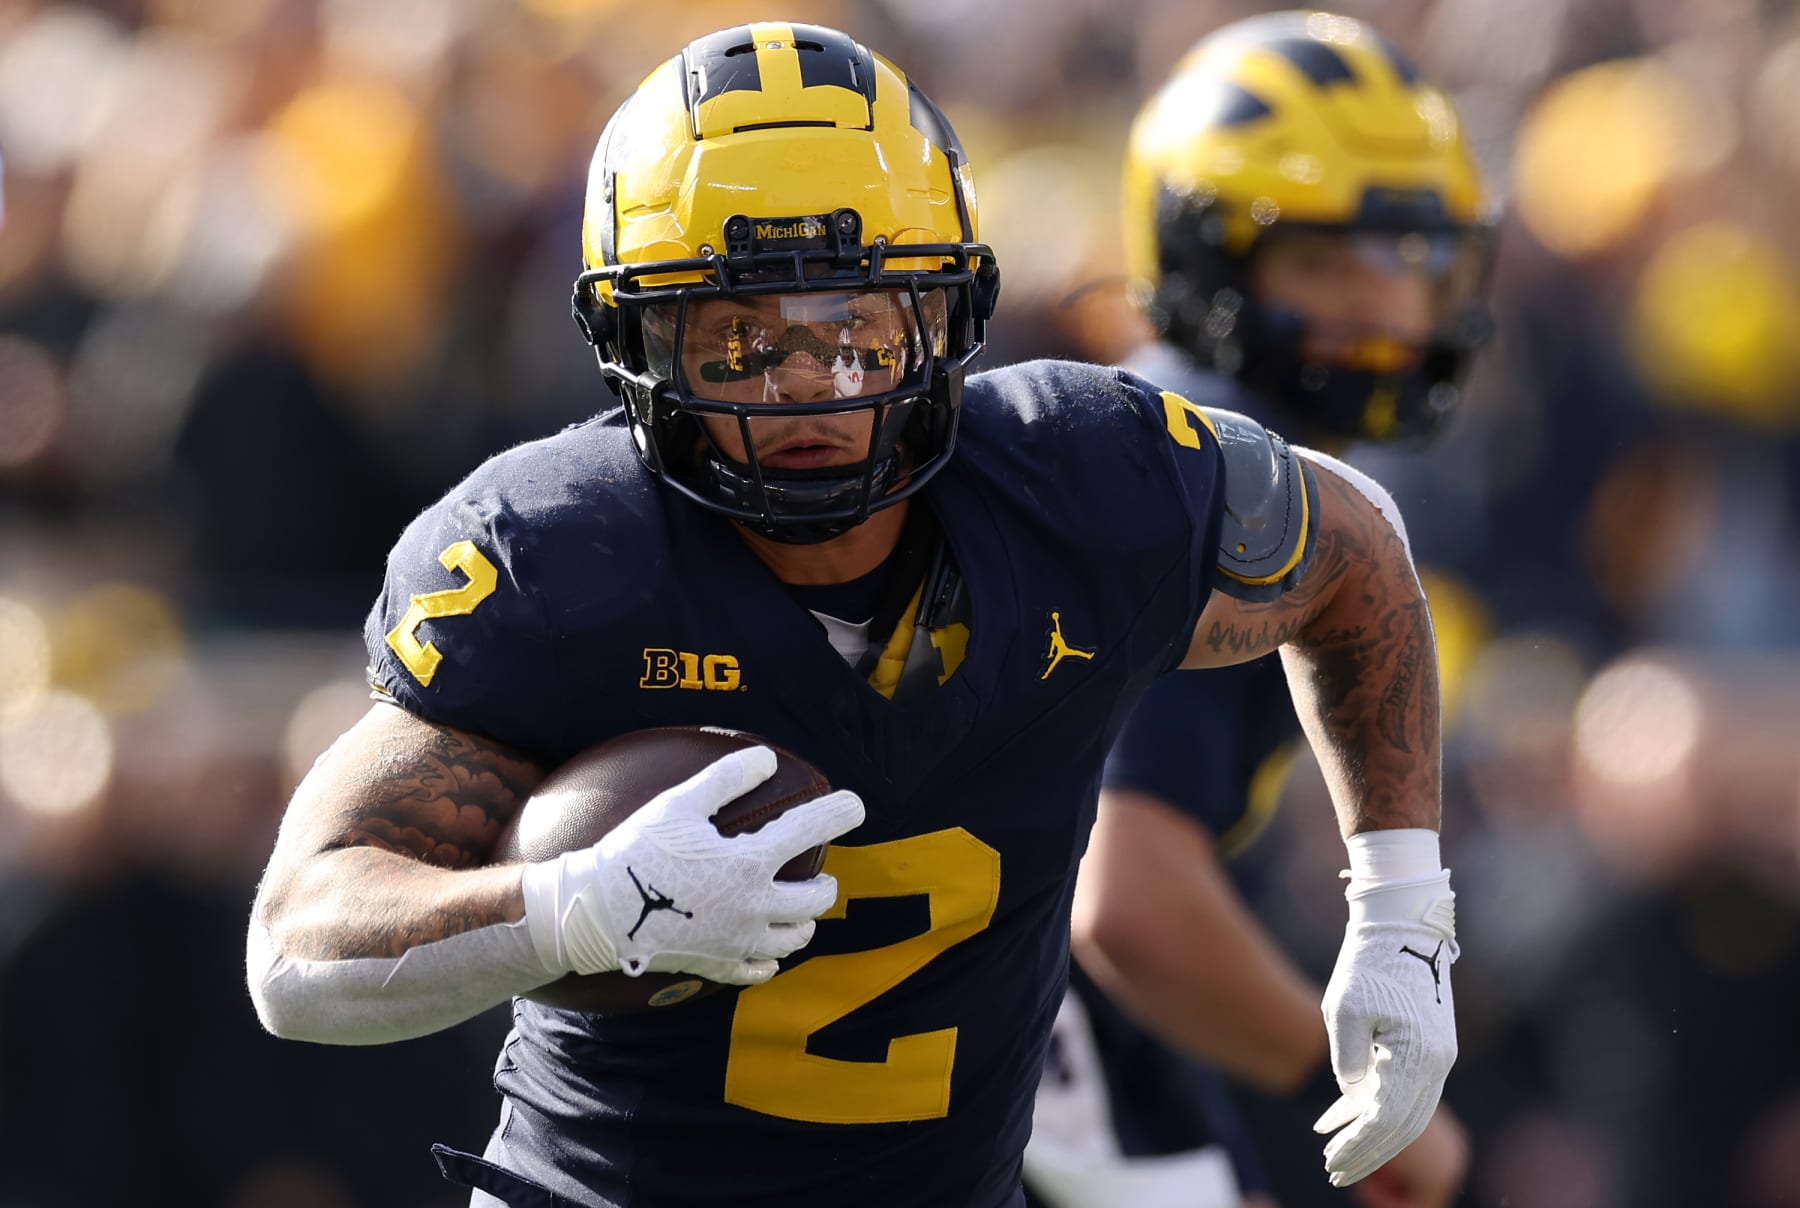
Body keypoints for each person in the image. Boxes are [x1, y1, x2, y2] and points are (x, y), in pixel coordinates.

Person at [247, 21, 1462, 1208]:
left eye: (860, 327)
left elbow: (1356, 550)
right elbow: (296, 947)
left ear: (947, 317)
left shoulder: (1083, 481)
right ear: (637, 339)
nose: (812, 388)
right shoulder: (561, 553)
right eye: (740, 340)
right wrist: (572, 909)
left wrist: (1402, 910)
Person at [1024, 14, 1491, 1208]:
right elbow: (1128, 901)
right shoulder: (1228, 484)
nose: (1387, 303)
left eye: (1410, 256)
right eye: (1329, 260)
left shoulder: (1157, 422)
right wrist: (1351, 1078)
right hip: (1012, 1018)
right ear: (1209, 264)